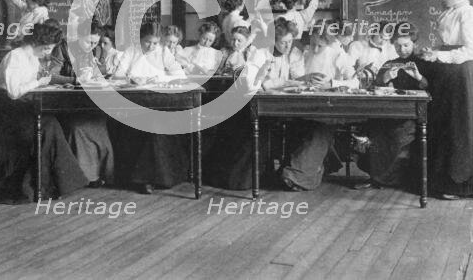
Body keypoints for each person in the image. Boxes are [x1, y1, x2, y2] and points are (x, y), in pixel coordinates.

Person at [0, 24, 87, 203]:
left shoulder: (33, 58)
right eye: (48, 49)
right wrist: (38, 82)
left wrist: (43, 83)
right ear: (41, 44)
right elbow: (14, 92)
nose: (48, 53)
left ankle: (48, 184)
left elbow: (28, 85)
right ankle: (44, 185)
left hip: (13, 108)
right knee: (48, 125)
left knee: (50, 122)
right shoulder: (16, 56)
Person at [204, 18, 303, 190]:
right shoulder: (260, 53)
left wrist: (295, 82)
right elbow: (255, 83)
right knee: (261, 129)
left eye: (290, 42)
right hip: (246, 108)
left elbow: (291, 77)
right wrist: (283, 83)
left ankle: (284, 173)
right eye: (283, 42)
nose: (288, 46)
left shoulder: (288, 56)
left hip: (271, 105)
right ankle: (253, 177)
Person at [420, 0, 473, 199]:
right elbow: (448, 44)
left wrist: (440, 56)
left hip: (465, 75)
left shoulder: (470, 14)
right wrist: (435, 53)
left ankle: (462, 185)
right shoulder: (450, 12)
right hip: (451, 75)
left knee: (462, 127)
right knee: (448, 125)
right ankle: (446, 182)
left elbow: (471, 50)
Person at [112, 23, 188, 193]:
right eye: (147, 42)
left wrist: (160, 79)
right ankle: (141, 179)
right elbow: (117, 76)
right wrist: (131, 80)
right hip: (134, 103)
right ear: (140, 39)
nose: (151, 46)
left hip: (159, 101)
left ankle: (157, 178)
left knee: (156, 126)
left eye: (155, 43)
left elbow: (180, 75)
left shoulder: (163, 51)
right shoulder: (132, 51)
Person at [279, 29, 358, 191]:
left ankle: (299, 176)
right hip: (305, 104)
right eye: (312, 44)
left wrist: (332, 84)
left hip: (330, 106)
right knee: (301, 128)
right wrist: (304, 79)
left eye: (319, 46)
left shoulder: (337, 55)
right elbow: (293, 78)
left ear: (328, 43)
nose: (314, 49)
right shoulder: (305, 53)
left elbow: (355, 81)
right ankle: (318, 166)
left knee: (319, 128)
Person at [356, 23, 431, 189]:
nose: (402, 49)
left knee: (397, 134)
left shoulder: (423, 63)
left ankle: (391, 179)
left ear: (414, 43)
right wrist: (385, 78)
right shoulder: (391, 63)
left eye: (406, 45)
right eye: (397, 46)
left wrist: (418, 77)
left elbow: (431, 88)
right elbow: (375, 86)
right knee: (375, 129)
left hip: (413, 116)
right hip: (391, 113)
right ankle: (376, 176)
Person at [53, 20, 114, 187]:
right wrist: (75, 79)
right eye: (88, 41)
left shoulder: (98, 50)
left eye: (95, 42)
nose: (92, 46)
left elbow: (102, 70)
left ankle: (101, 174)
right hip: (68, 104)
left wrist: (99, 73)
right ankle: (84, 176)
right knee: (77, 127)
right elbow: (52, 75)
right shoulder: (64, 48)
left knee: (100, 123)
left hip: (92, 103)